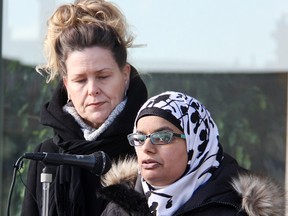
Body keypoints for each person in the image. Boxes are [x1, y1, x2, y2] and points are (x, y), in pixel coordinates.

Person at [21, 0, 147, 215]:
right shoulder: (47, 155)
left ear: (125, 75)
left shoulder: (149, 146)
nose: (92, 89)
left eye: (103, 76)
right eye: (80, 80)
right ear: (67, 85)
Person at [97, 91, 286, 216]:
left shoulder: (235, 209)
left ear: (196, 143)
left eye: (163, 136)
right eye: (139, 137)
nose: (146, 147)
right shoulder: (119, 206)